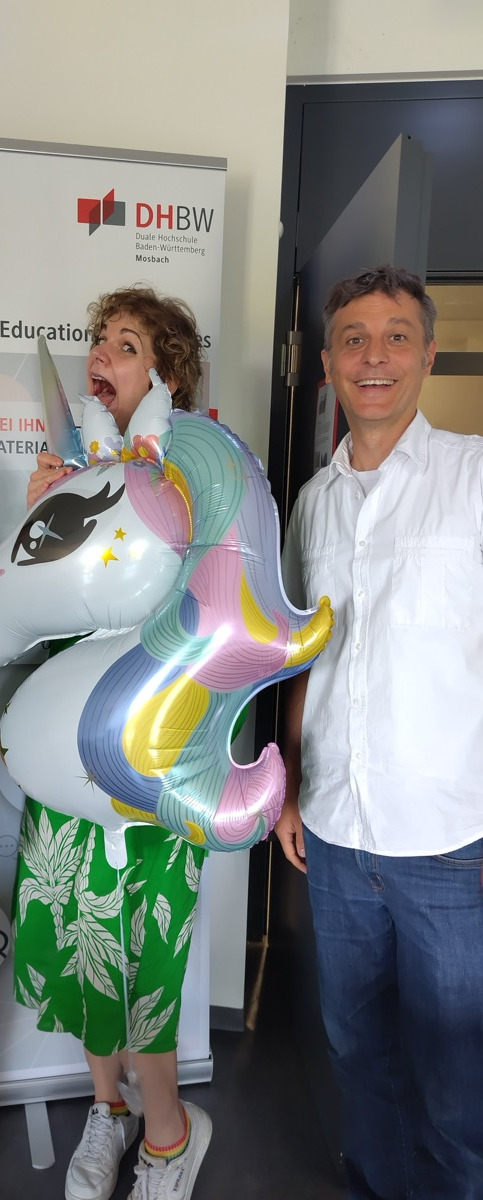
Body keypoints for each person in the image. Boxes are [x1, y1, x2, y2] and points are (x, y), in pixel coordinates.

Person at [275, 264, 483, 1199]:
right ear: (326, 363)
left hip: (450, 839)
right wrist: (287, 784)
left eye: (396, 336)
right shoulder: (311, 503)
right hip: (333, 830)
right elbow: (297, 658)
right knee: (356, 1049)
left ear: (427, 355)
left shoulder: (472, 476)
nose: (374, 356)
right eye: (353, 338)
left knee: (457, 1072)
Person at [13, 285, 212, 1200]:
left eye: (125, 343)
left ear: (166, 376)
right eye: (98, 340)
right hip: (63, 746)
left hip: (151, 753)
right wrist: (39, 524)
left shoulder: (198, 472)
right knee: (76, 934)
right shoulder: (69, 475)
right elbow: (32, 615)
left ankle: (170, 1136)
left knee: (145, 952)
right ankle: (110, 1110)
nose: (100, 354)